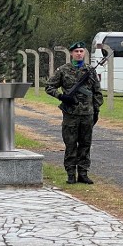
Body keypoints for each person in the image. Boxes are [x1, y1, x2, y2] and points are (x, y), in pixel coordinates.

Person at [45, 41, 103, 185]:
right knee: (70, 145)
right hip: (70, 114)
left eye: (81, 51)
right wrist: (62, 97)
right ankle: (71, 174)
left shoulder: (90, 70)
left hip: (87, 114)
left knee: (85, 144)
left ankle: (83, 173)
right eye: (76, 51)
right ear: (71, 53)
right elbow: (49, 87)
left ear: (84, 53)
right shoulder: (63, 70)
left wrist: (95, 109)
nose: (79, 54)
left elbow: (98, 92)